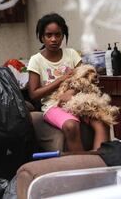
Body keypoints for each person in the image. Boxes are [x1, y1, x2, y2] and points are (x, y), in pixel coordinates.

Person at [27, 13, 110, 151]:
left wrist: (72, 92)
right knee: (71, 126)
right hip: (53, 106)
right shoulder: (36, 60)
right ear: (42, 37)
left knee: (103, 121)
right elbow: (34, 94)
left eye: (58, 35)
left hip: (78, 102)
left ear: (63, 36)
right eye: (49, 35)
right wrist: (60, 80)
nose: (54, 39)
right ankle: (80, 166)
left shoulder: (71, 54)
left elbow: (85, 78)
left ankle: (100, 163)